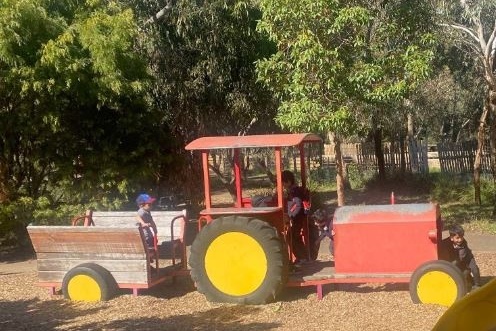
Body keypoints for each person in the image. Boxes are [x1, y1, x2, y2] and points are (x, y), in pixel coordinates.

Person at [441, 224, 481, 290]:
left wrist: (451, 265)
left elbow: (461, 256)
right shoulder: (446, 242)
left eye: (462, 237)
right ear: (451, 238)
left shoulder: (463, 243)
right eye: (457, 238)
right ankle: (469, 281)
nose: (460, 240)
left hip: (468, 258)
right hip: (457, 258)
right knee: (463, 274)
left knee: (474, 269)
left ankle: (477, 285)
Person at [282, 170, 309, 266]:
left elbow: (297, 206)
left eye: (283, 183)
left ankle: (302, 258)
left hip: (297, 219)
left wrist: (290, 216)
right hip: (298, 218)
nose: (283, 185)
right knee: (295, 237)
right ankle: (303, 257)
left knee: (292, 237)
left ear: (288, 181)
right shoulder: (294, 190)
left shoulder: (294, 192)